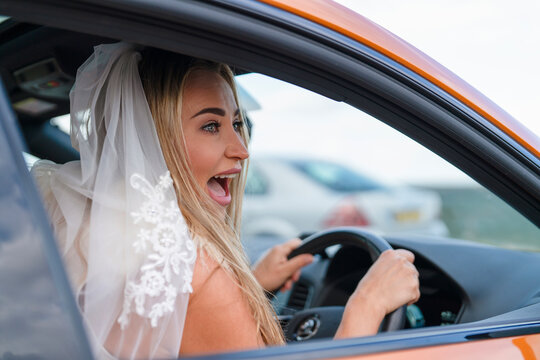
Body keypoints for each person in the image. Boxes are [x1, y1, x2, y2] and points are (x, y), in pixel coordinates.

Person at [32, 43, 419, 359]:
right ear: (153, 140)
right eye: (211, 126)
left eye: (236, 123)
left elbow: (168, 323)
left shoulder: (83, 222)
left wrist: (252, 283)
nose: (241, 149)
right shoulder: (197, 267)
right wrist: (366, 307)